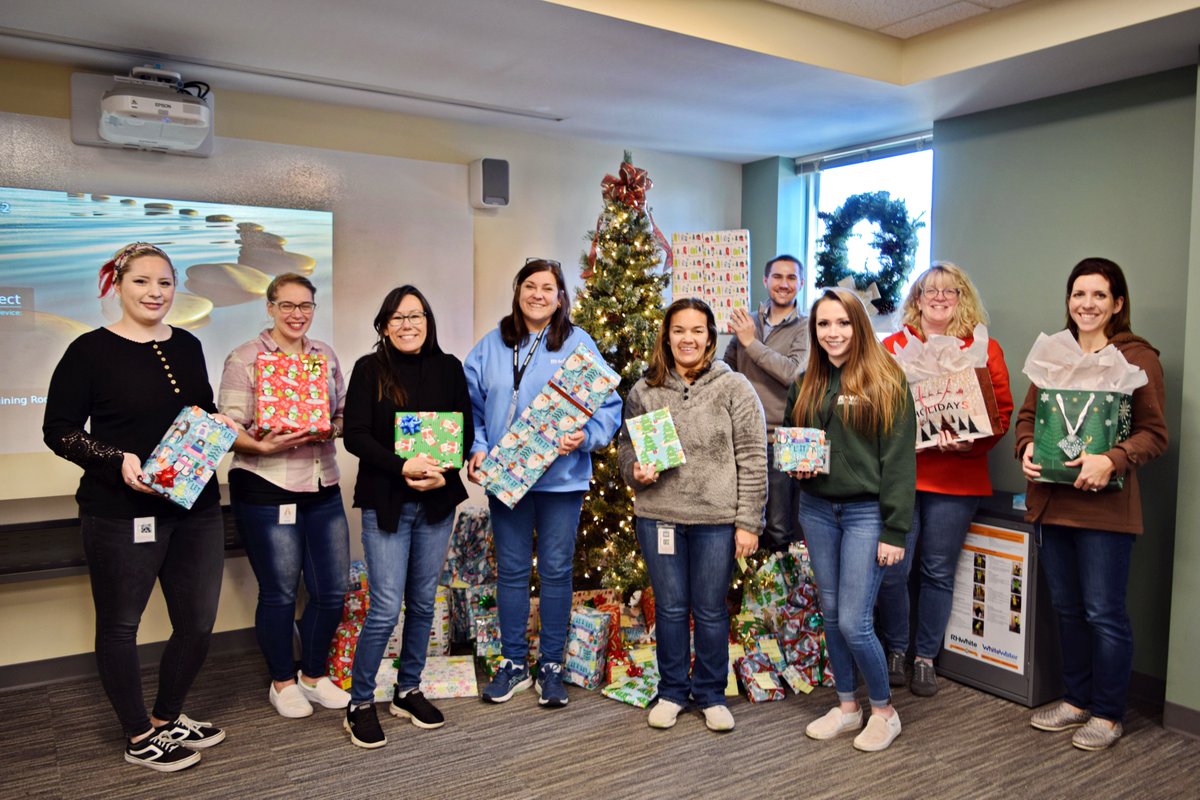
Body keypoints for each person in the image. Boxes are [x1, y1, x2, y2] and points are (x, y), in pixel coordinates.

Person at [42, 243, 230, 772]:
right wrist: (113, 458)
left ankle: (169, 717)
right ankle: (138, 732)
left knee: (197, 622)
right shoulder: (88, 351)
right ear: (118, 286)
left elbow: (201, 413)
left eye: (165, 283)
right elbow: (57, 430)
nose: (155, 293)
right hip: (119, 510)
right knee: (121, 625)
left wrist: (224, 425)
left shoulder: (189, 345)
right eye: (143, 282)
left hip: (196, 506)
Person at [1016, 257, 1167, 751]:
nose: (1087, 304)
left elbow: (1154, 434)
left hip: (1106, 510)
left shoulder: (1137, 358)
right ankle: (1077, 700)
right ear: (1068, 300)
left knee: (1104, 612)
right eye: (1079, 294)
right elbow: (1028, 417)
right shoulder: (1053, 353)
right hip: (1052, 505)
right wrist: (1027, 449)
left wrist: (1114, 458)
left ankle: (1108, 712)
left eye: (1099, 295)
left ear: (1118, 303)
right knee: (1067, 609)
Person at [465, 258, 621, 708]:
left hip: (562, 481)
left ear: (560, 297)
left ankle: (550, 665)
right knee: (511, 572)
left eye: (547, 287)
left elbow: (609, 407)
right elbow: (470, 406)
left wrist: (585, 436)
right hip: (507, 479)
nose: (537, 294)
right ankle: (513, 662)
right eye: (529, 286)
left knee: (555, 572)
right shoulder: (491, 346)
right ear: (518, 291)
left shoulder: (577, 343)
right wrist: (477, 447)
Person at [619, 298, 766, 732]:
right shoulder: (643, 390)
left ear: (710, 337)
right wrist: (634, 470)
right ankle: (671, 691)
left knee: (710, 609)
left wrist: (747, 522)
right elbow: (627, 448)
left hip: (716, 520)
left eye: (697, 330)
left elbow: (754, 457)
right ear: (666, 335)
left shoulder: (734, 387)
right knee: (669, 608)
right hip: (658, 514)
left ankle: (710, 693)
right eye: (679, 330)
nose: (687, 339)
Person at [341, 285, 474, 749]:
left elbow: (463, 432)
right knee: (384, 607)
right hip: (387, 503)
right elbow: (354, 436)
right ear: (383, 325)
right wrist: (403, 466)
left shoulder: (449, 368)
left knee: (421, 603)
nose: (407, 324)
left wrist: (445, 473)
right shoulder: (368, 369)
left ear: (428, 321)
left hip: (437, 503)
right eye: (397, 317)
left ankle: (407, 689)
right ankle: (359, 702)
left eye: (415, 316)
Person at [785, 287, 916, 753]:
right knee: (831, 613)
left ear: (858, 325)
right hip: (817, 509)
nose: (833, 332)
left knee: (855, 622)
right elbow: (795, 442)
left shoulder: (886, 381)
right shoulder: (805, 383)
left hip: (867, 513)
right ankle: (847, 707)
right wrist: (796, 465)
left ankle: (884, 711)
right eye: (824, 324)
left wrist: (895, 529)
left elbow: (900, 462)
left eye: (842, 322)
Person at [218, 273, 351, 719]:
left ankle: (313, 676)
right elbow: (227, 429)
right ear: (270, 306)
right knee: (278, 593)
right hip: (266, 486)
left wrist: (326, 427)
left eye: (306, 306)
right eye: (287, 305)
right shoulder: (246, 358)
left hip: (322, 484)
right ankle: (282, 682)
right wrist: (262, 444)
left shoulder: (325, 356)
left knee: (331, 591)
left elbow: (342, 414)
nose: (297, 314)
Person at [876, 262, 1013, 696]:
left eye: (949, 291)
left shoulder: (984, 348)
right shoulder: (893, 346)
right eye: (928, 291)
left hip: (958, 477)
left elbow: (1002, 413)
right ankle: (896, 649)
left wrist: (969, 442)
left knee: (937, 570)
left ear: (962, 298)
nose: (938, 298)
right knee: (895, 570)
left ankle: (924, 659)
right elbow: (872, 404)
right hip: (903, 476)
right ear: (916, 299)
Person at [722, 254, 809, 552]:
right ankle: (746, 593)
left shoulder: (806, 327)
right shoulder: (748, 322)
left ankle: (778, 596)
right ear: (765, 280)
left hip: (782, 440)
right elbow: (727, 371)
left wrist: (752, 343)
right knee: (743, 522)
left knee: (779, 527)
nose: (784, 284)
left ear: (801, 283)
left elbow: (792, 373)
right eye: (777, 277)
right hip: (742, 437)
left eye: (791, 278)